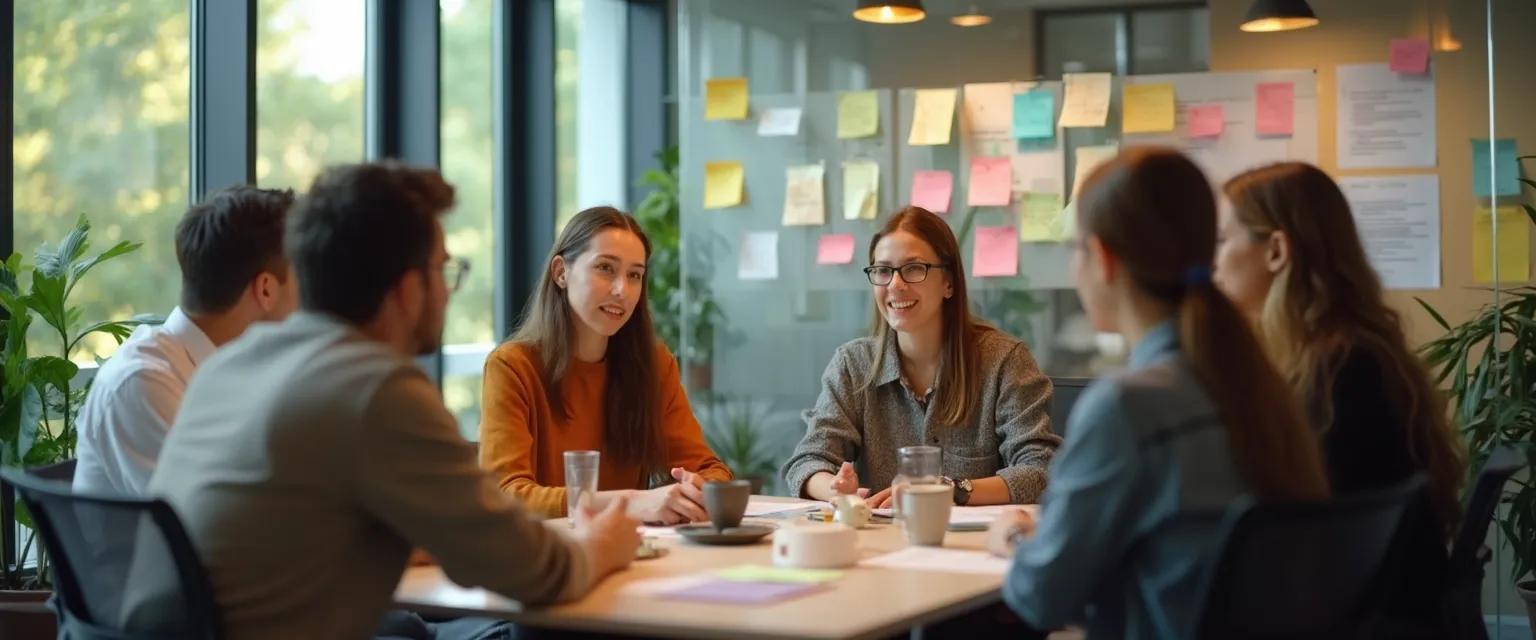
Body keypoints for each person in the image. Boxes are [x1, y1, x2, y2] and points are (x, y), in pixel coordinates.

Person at [139, 163, 641, 639]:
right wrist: (603, 545)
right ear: (407, 289)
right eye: (443, 272)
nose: (447, 293)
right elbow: (534, 572)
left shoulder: (233, 365)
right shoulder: (375, 389)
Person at [985, 148, 1330, 639]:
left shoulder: (1127, 407)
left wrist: (1016, 536)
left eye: (1075, 251)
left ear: (1102, 257)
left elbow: (1042, 597)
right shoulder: (1255, 382)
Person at [1214, 161, 1465, 529]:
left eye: (1221, 240)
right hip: (1382, 580)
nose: (1212, 262)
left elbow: (1297, 515)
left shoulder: (1338, 370)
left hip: (1359, 583)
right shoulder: (1349, 350)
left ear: (1276, 251)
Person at [782, 206, 1058, 509]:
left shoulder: (1005, 362)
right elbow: (807, 461)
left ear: (948, 283)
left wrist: (948, 490)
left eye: (914, 269)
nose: (895, 285)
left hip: (976, 549)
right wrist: (835, 489)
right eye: (883, 271)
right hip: (882, 545)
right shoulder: (852, 364)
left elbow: (1041, 470)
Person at [479, 206, 731, 522]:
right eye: (605, 268)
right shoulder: (513, 367)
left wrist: (697, 488)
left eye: (634, 275)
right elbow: (504, 494)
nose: (621, 290)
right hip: (545, 557)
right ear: (561, 272)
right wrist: (630, 502)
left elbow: (712, 471)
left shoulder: (654, 365)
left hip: (635, 554)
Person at [74, 186, 300, 496]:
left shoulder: (235, 370)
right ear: (266, 290)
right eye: (302, 279)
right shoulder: (143, 384)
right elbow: (212, 521)